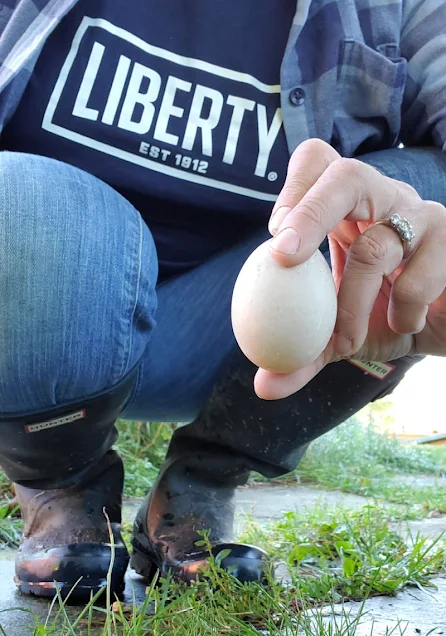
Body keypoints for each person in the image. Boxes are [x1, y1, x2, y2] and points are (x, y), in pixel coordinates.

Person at [0, 0, 445, 600]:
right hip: (42, 305)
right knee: (25, 198)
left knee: (425, 197)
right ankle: (61, 482)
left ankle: (199, 484)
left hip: (228, 339)